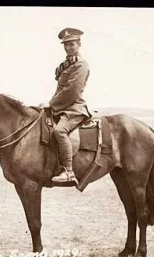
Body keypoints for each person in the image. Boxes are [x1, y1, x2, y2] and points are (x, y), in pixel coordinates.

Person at [48, 27, 92, 183]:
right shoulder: (66, 64)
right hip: (63, 107)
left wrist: (51, 104)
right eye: (66, 45)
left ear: (79, 44)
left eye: (72, 44)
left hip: (74, 108)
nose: (68, 47)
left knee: (59, 131)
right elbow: (60, 90)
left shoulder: (81, 65)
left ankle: (69, 172)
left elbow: (71, 91)